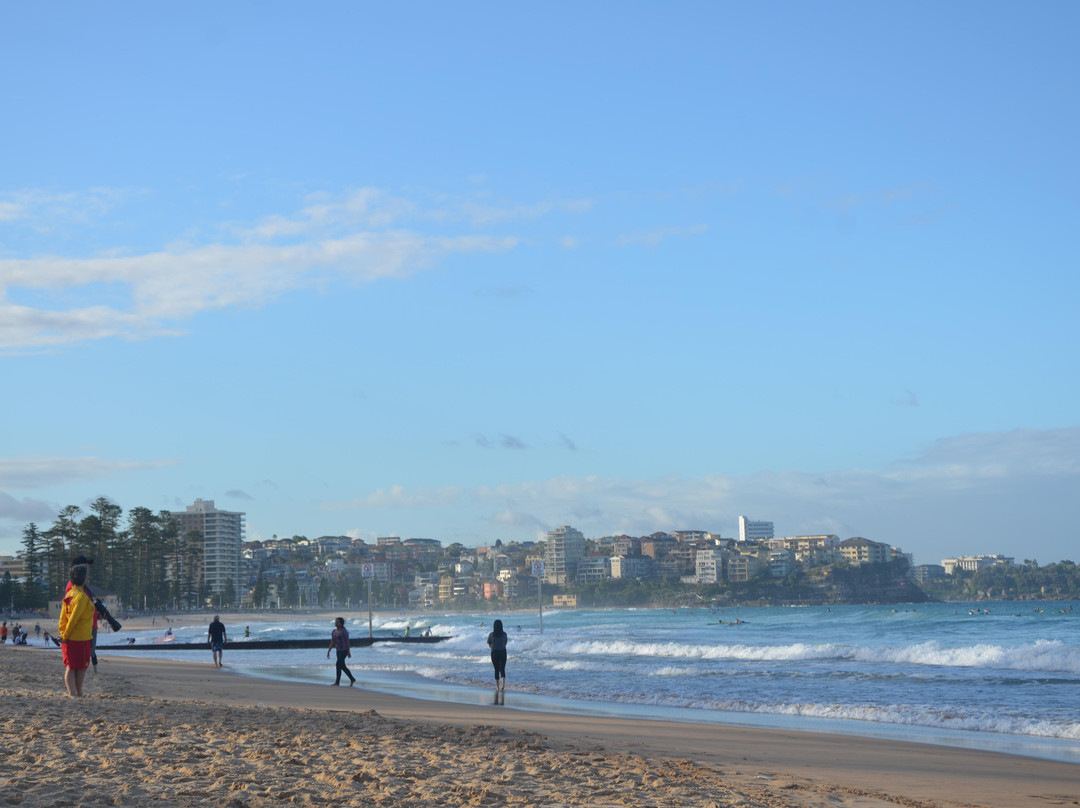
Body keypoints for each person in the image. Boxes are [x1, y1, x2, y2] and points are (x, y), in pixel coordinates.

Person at [58, 563, 95, 697]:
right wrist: (65, 634)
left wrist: (63, 633)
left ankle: (74, 692)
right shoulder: (81, 597)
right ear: (84, 579)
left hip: (69, 637)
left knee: (72, 666)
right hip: (80, 637)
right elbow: (73, 619)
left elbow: (63, 618)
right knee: (79, 667)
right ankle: (76, 692)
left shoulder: (70, 594)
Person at [326, 617, 355, 686]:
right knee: (342, 666)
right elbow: (332, 641)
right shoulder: (334, 631)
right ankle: (352, 679)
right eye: (335, 622)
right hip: (338, 651)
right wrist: (329, 650)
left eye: (337, 622)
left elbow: (347, 642)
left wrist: (348, 652)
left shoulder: (344, 631)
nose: (336, 623)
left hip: (344, 650)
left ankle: (337, 682)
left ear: (341, 624)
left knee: (338, 664)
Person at [486, 619, 508, 692]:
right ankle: (503, 686)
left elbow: (489, 644)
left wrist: (494, 646)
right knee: (502, 669)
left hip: (494, 653)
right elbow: (505, 643)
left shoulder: (491, 635)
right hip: (503, 652)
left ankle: (497, 687)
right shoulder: (504, 634)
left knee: (496, 669)